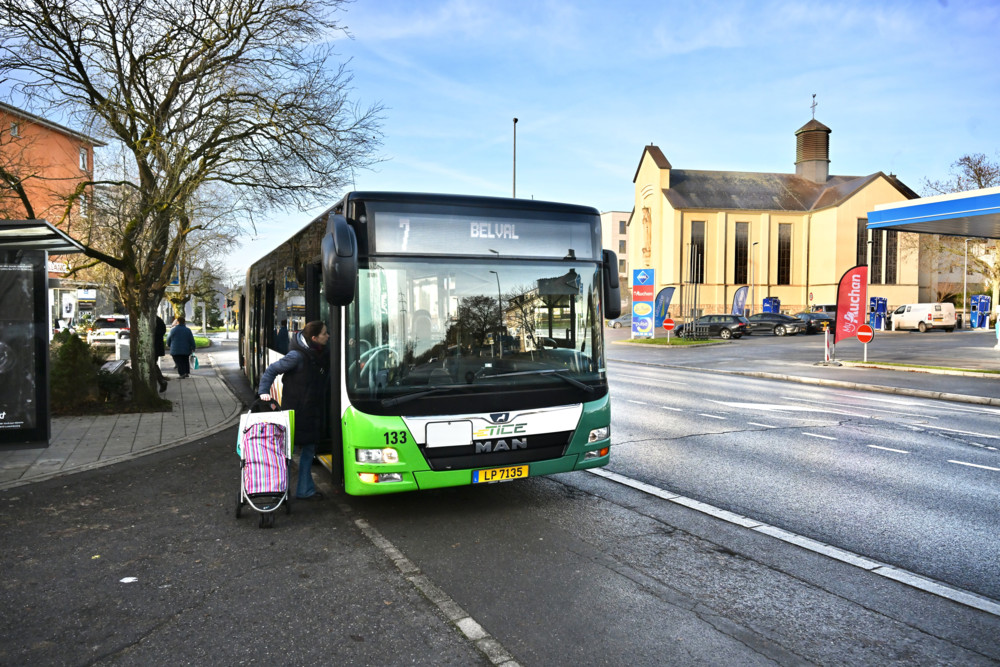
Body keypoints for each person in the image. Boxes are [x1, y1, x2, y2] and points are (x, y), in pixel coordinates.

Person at [257, 320, 329, 500]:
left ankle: (301, 490)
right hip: (296, 413)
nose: (328, 336)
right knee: (289, 455)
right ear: (314, 338)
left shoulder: (317, 352)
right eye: (324, 333)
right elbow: (271, 370)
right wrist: (263, 392)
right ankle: (282, 492)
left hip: (310, 412)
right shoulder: (297, 356)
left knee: (307, 451)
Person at [154, 315, 168, 392]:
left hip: (154, 347)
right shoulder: (157, 320)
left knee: (152, 364)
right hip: (156, 347)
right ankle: (161, 381)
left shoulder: (153, 320)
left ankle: (161, 381)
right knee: (153, 364)